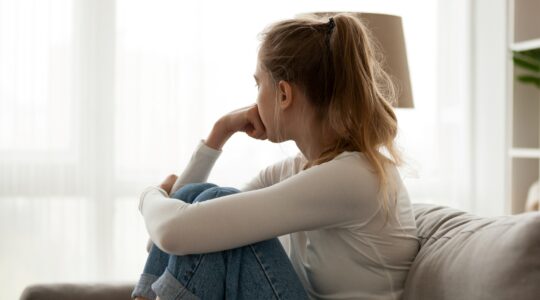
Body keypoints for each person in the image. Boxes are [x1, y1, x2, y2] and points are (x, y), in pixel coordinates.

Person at [132, 13, 419, 300]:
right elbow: (183, 236)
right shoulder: (300, 169)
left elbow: (171, 232)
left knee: (213, 201)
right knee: (205, 198)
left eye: (258, 84)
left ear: (284, 94)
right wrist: (220, 132)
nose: (255, 97)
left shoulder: (355, 177)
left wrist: (150, 196)